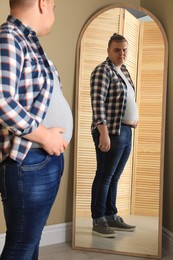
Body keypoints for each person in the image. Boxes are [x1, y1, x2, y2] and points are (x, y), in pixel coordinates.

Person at [0, 0, 73, 259]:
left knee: (30, 241)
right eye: (55, 6)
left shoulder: (27, 40)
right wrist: (44, 136)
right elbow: (2, 100)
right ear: (43, 3)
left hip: (41, 160)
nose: (54, 12)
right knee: (21, 245)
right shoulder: (9, 38)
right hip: (30, 162)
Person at [90, 33, 138, 238]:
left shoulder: (124, 70)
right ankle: (98, 219)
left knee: (114, 177)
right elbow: (98, 103)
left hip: (126, 131)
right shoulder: (103, 70)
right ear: (108, 51)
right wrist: (104, 133)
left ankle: (111, 215)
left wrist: (134, 118)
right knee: (104, 176)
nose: (122, 53)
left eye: (125, 49)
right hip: (110, 131)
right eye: (117, 49)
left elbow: (127, 100)